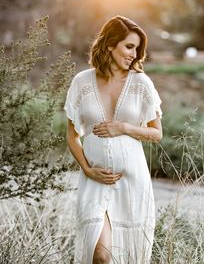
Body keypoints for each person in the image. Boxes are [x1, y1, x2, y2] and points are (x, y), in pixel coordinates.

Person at [64, 15, 163, 264]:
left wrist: (124, 127)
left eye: (137, 48)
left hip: (132, 183)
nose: (134, 53)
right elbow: (72, 134)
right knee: (101, 254)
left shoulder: (141, 83)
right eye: (129, 46)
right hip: (95, 181)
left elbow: (156, 133)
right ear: (110, 44)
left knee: (128, 256)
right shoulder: (82, 82)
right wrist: (87, 169)